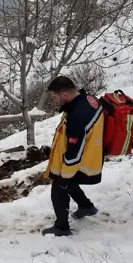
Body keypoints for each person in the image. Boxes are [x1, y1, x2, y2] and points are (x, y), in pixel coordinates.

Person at [42, 76, 105, 236]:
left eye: (55, 97)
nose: (55, 101)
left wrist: (66, 176)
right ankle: (86, 207)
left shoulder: (76, 116)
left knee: (59, 188)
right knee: (69, 184)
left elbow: (74, 151)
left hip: (81, 160)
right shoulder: (88, 99)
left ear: (63, 94)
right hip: (91, 156)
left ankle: (62, 228)